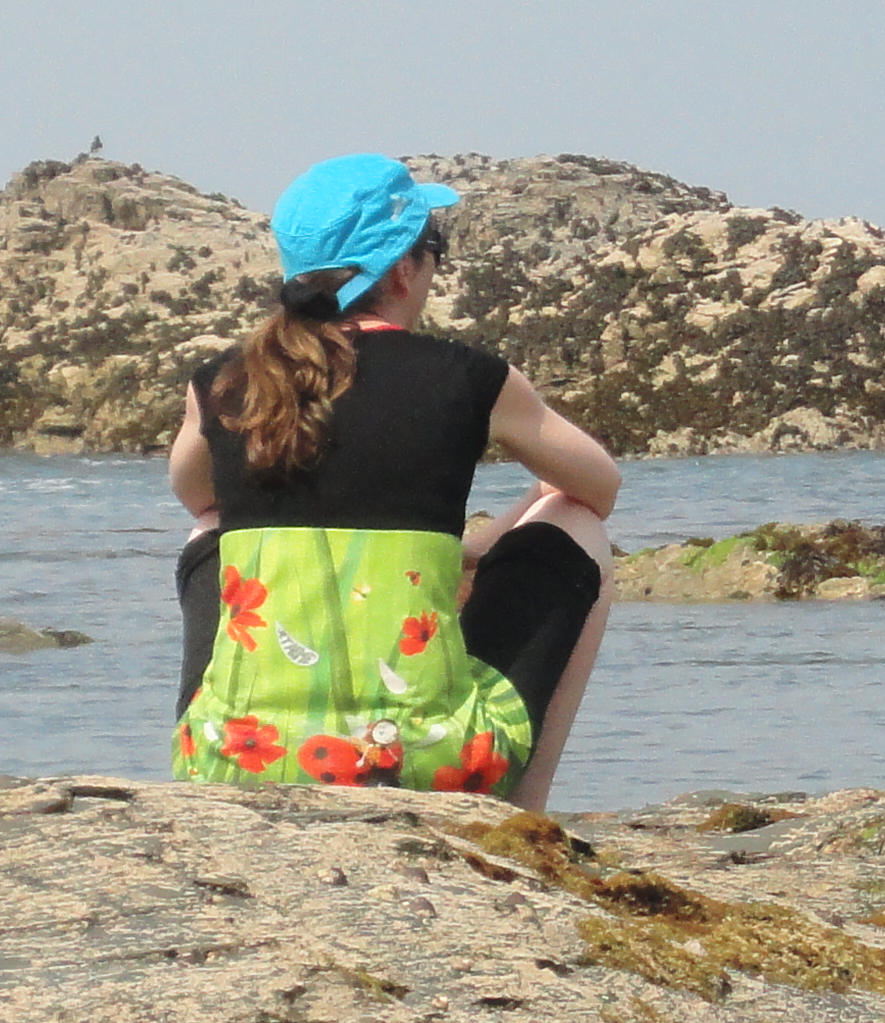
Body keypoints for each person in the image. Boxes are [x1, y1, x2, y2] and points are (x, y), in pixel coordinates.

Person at [165, 154, 619, 813]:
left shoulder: (224, 381)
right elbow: (598, 486)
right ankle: (523, 809)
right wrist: (485, 547)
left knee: (211, 531)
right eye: (435, 247)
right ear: (404, 268)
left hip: (233, 761)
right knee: (576, 523)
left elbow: (197, 498)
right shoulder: (469, 376)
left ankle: (234, 746)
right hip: (424, 763)